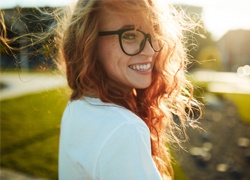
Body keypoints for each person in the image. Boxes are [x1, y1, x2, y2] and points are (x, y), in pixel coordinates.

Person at [56, 0, 201, 179]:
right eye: (130, 35)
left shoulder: (79, 106)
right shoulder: (124, 129)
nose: (150, 51)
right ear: (88, 42)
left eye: (154, 33)